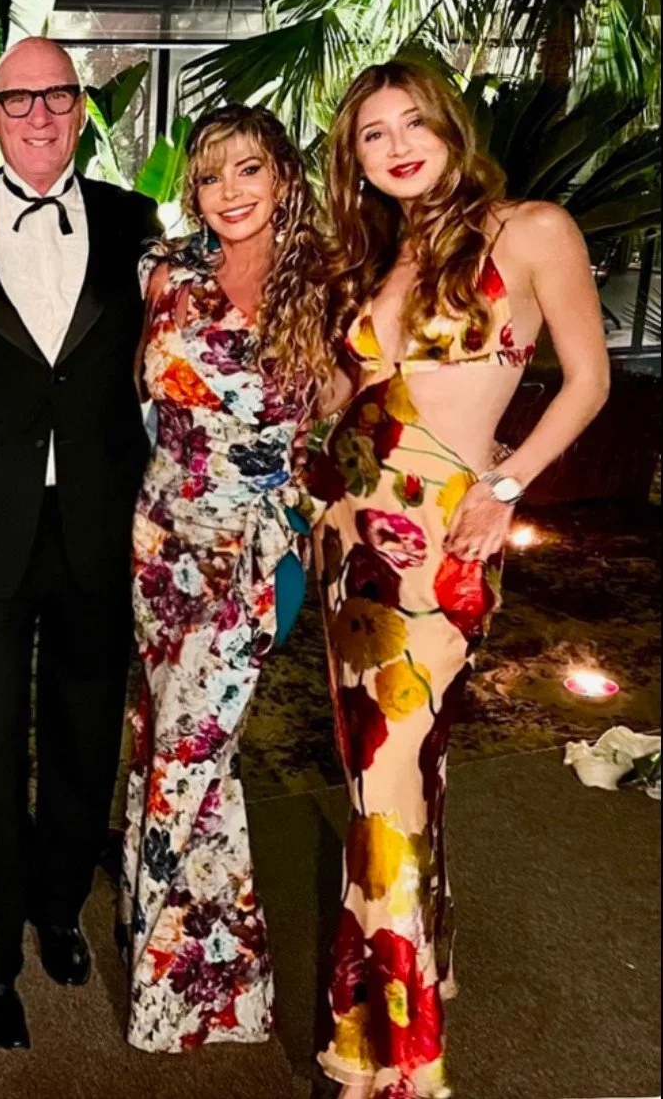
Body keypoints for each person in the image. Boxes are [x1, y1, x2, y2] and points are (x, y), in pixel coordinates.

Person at [307, 61, 610, 1099]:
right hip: (349, 548)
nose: (393, 145)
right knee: (389, 787)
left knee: (386, 793)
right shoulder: (378, 262)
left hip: (440, 547)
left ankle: (394, 1066)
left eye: (410, 123)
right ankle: (397, 997)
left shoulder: (530, 231)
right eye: (369, 135)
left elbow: (590, 377)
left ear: (449, 124)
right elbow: (339, 407)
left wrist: (509, 482)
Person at [0, 37, 160, 1049]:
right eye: (21, 100)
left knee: (84, 727)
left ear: (81, 109)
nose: (42, 115)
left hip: (103, 520)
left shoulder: (137, 224)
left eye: (59, 97)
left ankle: (57, 907)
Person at [118, 104, 338, 1052]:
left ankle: (174, 994)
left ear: (285, 175)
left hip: (257, 551)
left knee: (193, 748)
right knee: (165, 740)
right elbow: (134, 394)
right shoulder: (166, 275)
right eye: (211, 177)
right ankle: (208, 978)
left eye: (249, 170)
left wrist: (311, 512)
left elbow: (354, 417)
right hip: (161, 541)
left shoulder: (331, 286)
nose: (230, 193)